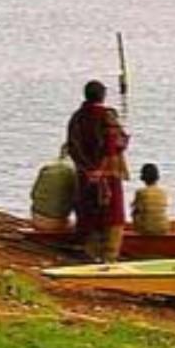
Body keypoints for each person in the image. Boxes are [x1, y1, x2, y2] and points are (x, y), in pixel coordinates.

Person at [66, 80, 130, 263]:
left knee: (89, 213)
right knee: (113, 217)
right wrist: (100, 170)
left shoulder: (76, 118)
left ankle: (91, 257)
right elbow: (114, 145)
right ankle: (109, 259)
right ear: (103, 95)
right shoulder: (108, 116)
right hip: (108, 177)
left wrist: (88, 170)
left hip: (85, 176)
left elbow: (72, 147)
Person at [29, 144, 77, 232]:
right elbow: (78, 202)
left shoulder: (47, 167)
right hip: (56, 224)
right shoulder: (75, 171)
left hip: (35, 217)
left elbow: (32, 194)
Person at [131, 163, 171, 236]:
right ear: (157, 177)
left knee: (135, 212)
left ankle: (138, 234)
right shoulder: (163, 192)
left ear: (143, 177)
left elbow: (136, 210)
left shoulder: (140, 192)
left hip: (146, 229)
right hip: (164, 228)